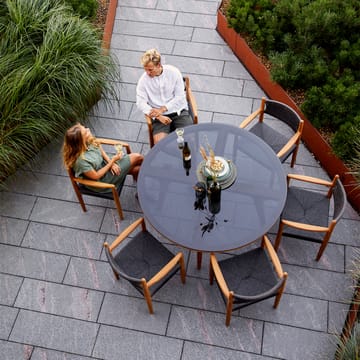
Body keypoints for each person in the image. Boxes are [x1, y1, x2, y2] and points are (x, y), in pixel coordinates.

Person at [63, 123, 143, 193]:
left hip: (106, 163)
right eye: (85, 132)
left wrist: (110, 163)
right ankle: (152, 174)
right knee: (138, 157)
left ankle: (141, 189)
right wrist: (112, 161)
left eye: (85, 128)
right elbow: (96, 176)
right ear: (81, 141)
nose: (88, 129)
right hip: (102, 180)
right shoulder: (81, 161)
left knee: (137, 169)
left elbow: (101, 151)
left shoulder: (88, 140)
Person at [136, 48, 193, 144]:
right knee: (160, 144)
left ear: (158, 65)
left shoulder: (174, 72)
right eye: (145, 70)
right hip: (159, 117)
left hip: (179, 111)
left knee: (191, 139)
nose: (148, 73)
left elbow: (179, 97)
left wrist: (163, 109)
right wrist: (159, 115)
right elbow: (140, 103)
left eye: (150, 70)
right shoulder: (143, 81)